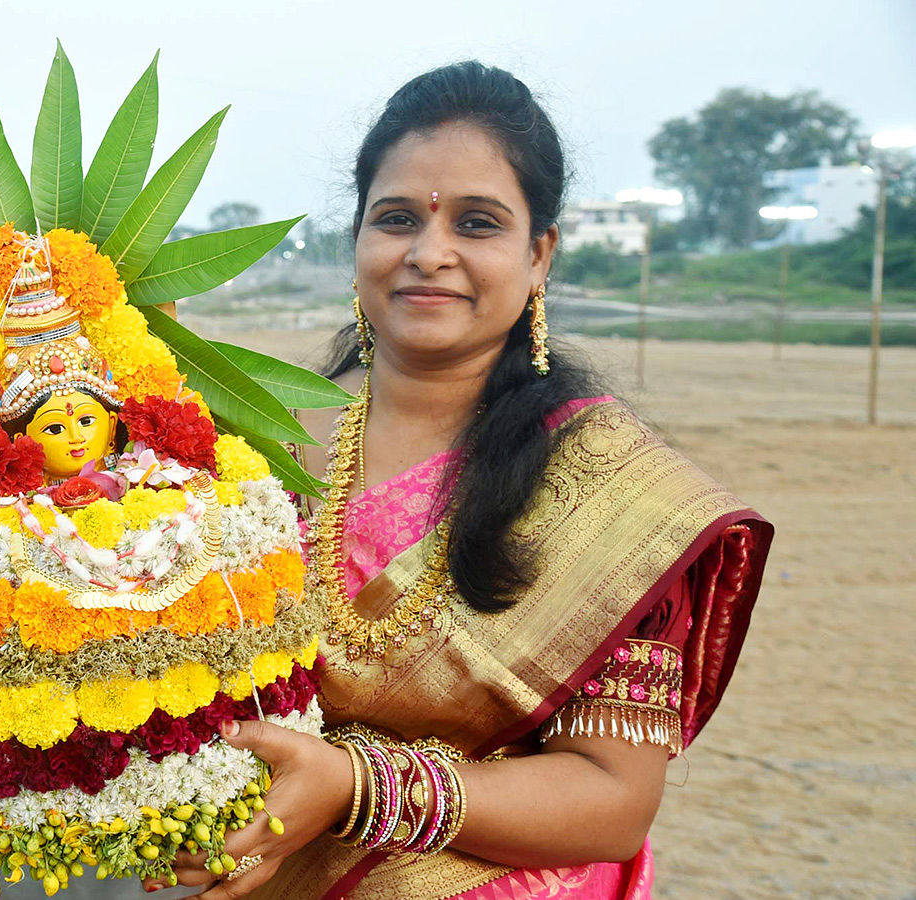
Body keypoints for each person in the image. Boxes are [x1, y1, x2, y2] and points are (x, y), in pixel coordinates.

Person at [146, 62, 772, 900]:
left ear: (540, 254)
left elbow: (613, 801)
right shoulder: (262, 440)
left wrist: (356, 788)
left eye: (478, 223)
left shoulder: (612, 491)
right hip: (257, 859)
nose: (428, 254)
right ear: (358, 242)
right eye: (395, 218)